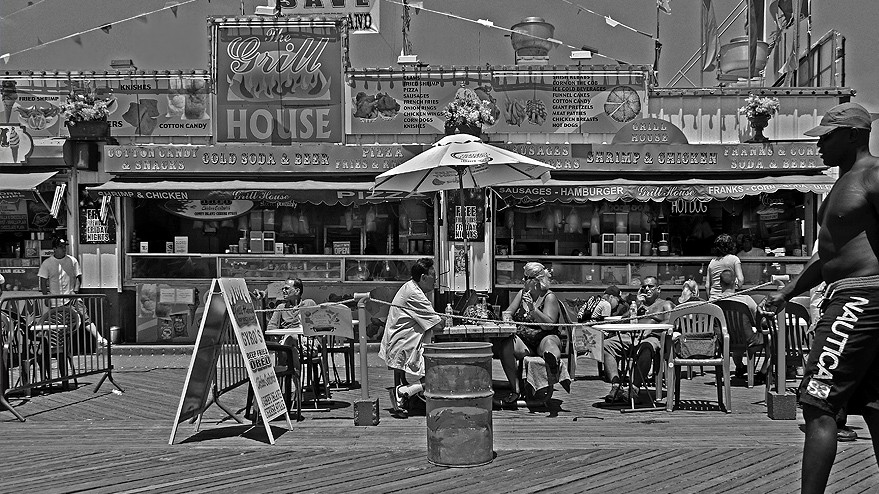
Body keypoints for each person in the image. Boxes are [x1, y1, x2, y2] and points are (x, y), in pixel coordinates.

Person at [762, 102, 879, 493]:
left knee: (818, 403)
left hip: (860, 300)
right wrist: (789, 290)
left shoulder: (873, 174)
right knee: (876, 406)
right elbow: (828, 255)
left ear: (853, 135)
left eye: (826, 137)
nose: (818, 146)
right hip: (854, 297)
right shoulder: (841, 184)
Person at [379, 257, 443, 418]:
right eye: (433, 278)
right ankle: (404, 392)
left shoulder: (411, 287)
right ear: (423, 277)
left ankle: (409, 394)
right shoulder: (415, 294)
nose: (435, 282)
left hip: (403, 342)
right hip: (404, 346)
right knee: (443, 369)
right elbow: (438, 326)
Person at [495, 262, 563, 405]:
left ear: (535, 281)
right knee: (506, 346)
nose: (522, 281)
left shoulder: (549, 297)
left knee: (549, 344)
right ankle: (515, 390)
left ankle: (552, 361)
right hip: (524, 339)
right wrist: (507, 319)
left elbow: (548, 325)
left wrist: (533, 309)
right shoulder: (522, 294)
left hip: (544, 336)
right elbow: (508, 312)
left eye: (525, 278)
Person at [601, 276, 673, 403]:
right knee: (606, 345)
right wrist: (637, 305)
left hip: (652, 337)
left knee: (646, 347)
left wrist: (652, 325)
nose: (647, 289)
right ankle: (616, 386)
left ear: (658, 289)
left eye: (650, 287)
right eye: (644, 287)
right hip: (631, 336)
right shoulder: (638, 305)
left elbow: (672, 321)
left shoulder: (665, 304)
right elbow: (623, 320)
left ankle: (634, 388)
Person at [38, 237, 106, 346]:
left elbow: (78, 277)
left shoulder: (72, 260)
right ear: (54, 249)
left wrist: (75, 291)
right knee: (57, 326)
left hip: (72, 298)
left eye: (65, 246)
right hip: (56, 301)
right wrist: (46, 296)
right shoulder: (47, 263)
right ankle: (58, 348)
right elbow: (43, 281)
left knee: (85, 318)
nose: (64, 249)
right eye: (61, 247)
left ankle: (99, 338)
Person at [717, 269, 769, 382]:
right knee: (773, 340)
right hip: (749, 339)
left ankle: (739, 367)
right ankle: (763, 372)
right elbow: (760, 319)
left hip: (726, 340)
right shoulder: (745, 299)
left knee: (736, 336)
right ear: (736, 282)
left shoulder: (715, 302)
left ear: (720, 284)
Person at [706, 233, 744, 301]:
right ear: (730, 246)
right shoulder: (735, 259)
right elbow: (740, 280)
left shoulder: (712, 262)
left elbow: (707, 286)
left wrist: (710, 299)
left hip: (714, 299)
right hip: (730, 299)